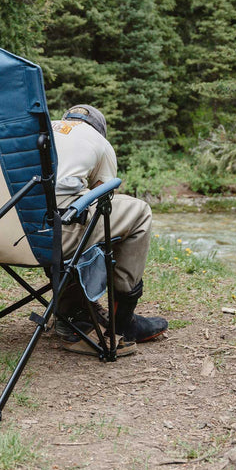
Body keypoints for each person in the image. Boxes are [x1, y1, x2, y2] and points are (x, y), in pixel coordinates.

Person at [52, 103, 167, 346]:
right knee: (136, 212)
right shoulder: (99, 142)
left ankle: (71, 311)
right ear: (100, 129)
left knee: (60, 216)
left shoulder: (43, 131)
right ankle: (123, 319)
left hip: (9, 233)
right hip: (59, 234)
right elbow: (104, 196)